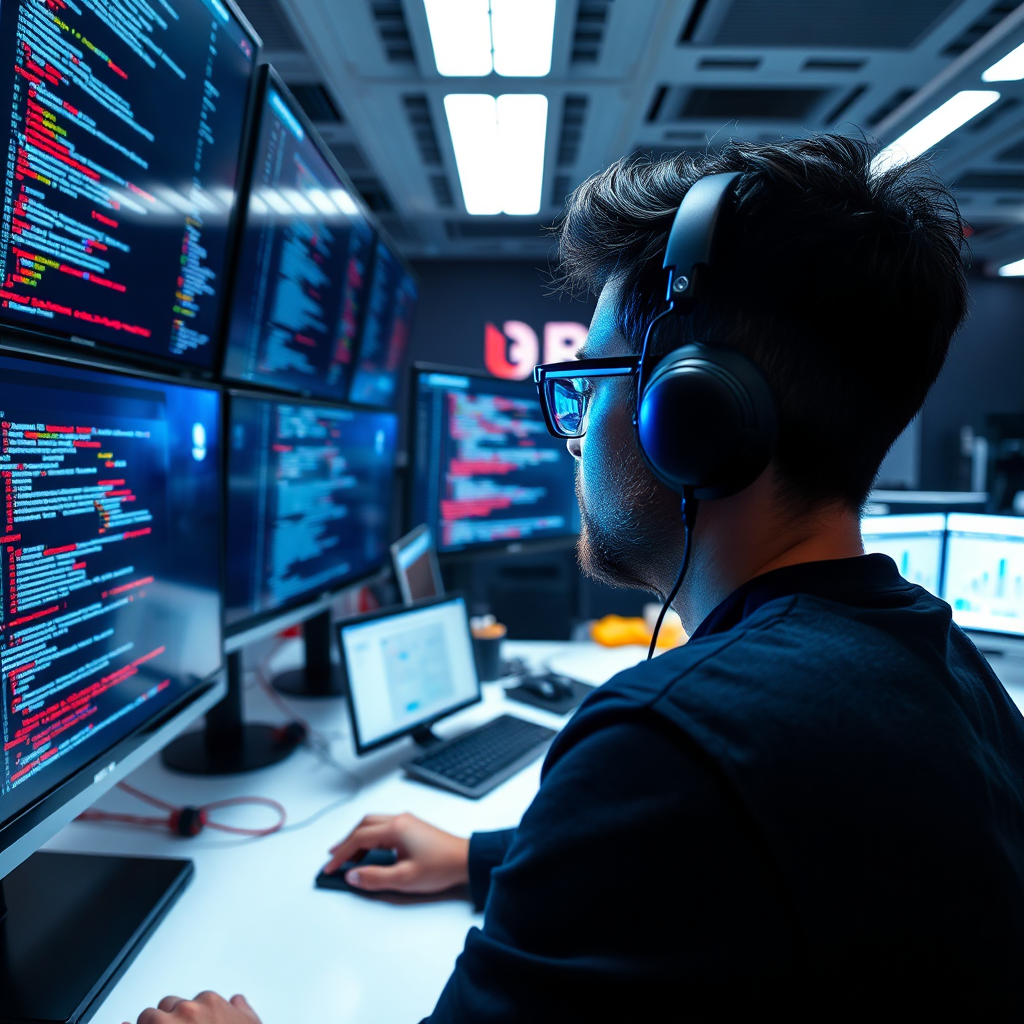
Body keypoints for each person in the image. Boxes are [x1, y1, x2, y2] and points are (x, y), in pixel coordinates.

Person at [129, 134, 1024, 1023]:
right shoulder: (945, 665)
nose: (573, 427)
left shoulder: (669, 741)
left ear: (693, 414)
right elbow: (772, 853)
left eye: (588, 383)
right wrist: (486, 858)